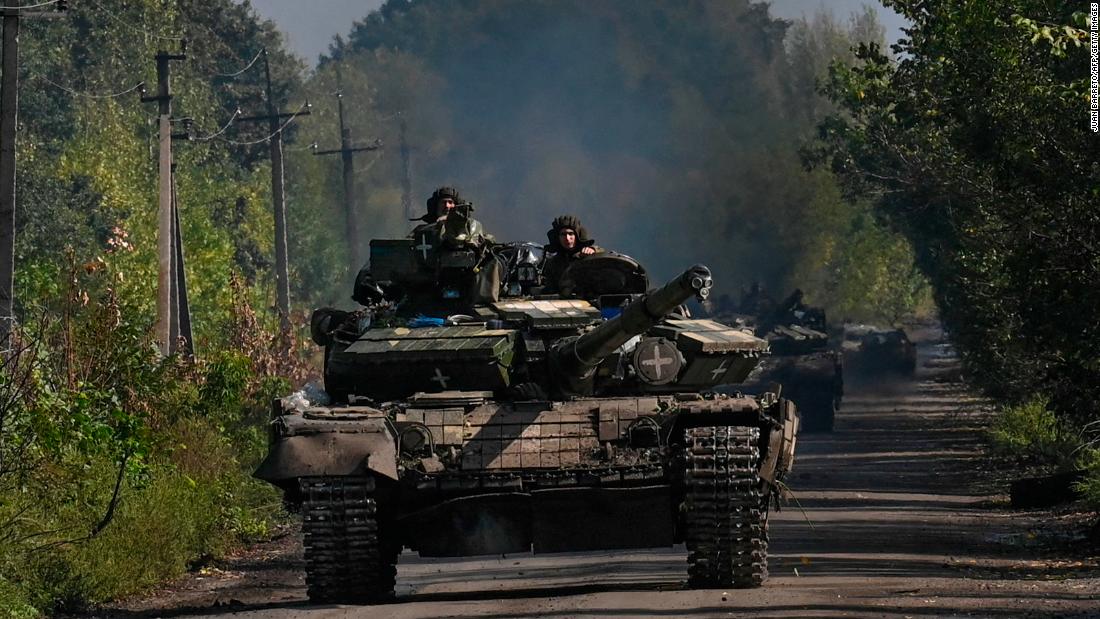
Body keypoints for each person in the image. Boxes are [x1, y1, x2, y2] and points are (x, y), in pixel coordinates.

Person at [541, 215, 602, 293]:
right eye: (563, 234)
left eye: (571, 234)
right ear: (557, 237)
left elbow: (608, 257)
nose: (567, 238)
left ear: (577, 236)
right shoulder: (553, 264)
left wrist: (594, 251)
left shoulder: (588, 255)